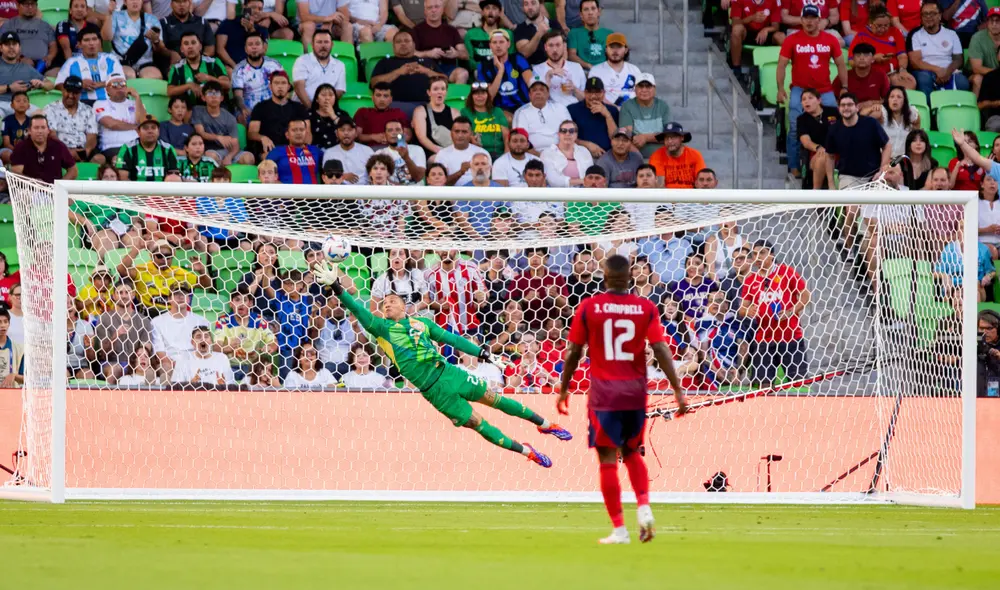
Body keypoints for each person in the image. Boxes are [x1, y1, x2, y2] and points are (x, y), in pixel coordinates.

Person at [314, 258, 571, 467]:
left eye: (392, 301)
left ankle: (545, 425)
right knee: (477, 423)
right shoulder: (381, 328)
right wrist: (337, 287)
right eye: (384, 303)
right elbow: (359, 310)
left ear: (405, 307)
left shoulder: (422, 323)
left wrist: (485, 354)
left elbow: (453, 339)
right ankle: (526, 451)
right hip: (434, 391)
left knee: (495, 399)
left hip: (449, 373)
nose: (387, 305)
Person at [557, 254, 687, 545]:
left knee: (607, 460)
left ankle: (619, 530)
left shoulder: (589, 307)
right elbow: (661, 349)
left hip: (604, 394)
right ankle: (644, 507)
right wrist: (677, 389)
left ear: (604, 276)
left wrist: (564, 389)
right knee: (632, 452)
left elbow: (574, 352)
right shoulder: (645, 307)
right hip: (634, 392)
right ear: (630, 277)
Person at [777, 5, 848, 180]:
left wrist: (845, 87)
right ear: (801, 20)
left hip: (825, 91)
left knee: (838, 126)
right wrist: (780, 89)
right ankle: (794, 165)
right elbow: (781, 65)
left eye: (812, 18)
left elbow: (840, 64)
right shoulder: (792, 40)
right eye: (806, 18)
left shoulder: (829, 39)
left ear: (819, 20)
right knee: (794, 127)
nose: (809, 21)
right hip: (800, 91)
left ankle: (837, 164)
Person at [740, 239, 811, 386]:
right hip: (764, 339)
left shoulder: (786, 272)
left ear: (772, 255)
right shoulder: (750, 280)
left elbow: (805, 295)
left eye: (762, 253)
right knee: (762, 386)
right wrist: (748, 311)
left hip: (790, 336)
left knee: (799, 384)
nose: (758, 258)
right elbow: (742, 308)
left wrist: (791, 311)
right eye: (754, 254)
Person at [119, 238, 212, 313]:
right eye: (159, 256)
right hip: (147, 314)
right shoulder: (142, 270)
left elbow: (207, 285)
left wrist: (202, 271)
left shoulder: (179, 273)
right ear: (151, 256)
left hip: (172, 315)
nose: (164, 259)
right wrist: (137, 248)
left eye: (168, 256)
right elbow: (121, 270)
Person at [369, 29, 446, 118]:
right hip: (395, 105)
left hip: (426, 105)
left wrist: (426, 71)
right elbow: (374, 83)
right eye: (399, 42)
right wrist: (398, 72)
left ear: (413, 45)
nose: (403, 44)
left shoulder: (426, 62)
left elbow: (444, 80)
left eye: (406, 41)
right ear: (393, 47)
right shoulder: (385, 62)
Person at [825, 92, 891, 189]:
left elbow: (887, 145)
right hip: (848, 177)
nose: (846, 108)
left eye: (850, 104)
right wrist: (831, 183)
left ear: (857, 107)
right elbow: (829, 157)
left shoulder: (871, 123)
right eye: (843, 105)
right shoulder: (834, 130)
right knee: (852, 204)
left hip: (874, 175)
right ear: (839, 109)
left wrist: (882, 170)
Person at [908, 1, 968, 100]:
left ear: (940, 16)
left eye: (932, 13)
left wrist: (947, 72)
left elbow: (958, 59)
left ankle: (957, 111)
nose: (928, 17)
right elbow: (915, 62)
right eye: (925, 14)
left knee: (963, 82)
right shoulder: (915, 34)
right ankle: (931, 112)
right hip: (926, 71)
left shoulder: (951, 34)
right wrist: (938, 70)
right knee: (923, 79)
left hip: (948, 70)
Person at [850, 6, 916, 91]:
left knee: (910, 82)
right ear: (871, 22)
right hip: (870, 73)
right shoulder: (861, 35)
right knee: (883, 82)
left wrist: (903, 70)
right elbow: (852, 61)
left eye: (886, 25)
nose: (882, 29)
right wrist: (873, 59)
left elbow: (902, 55)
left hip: (893, 72)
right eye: (879, 26)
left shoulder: (895, 32)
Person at [54, 24, 123, 104]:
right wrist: (79, 85)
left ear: (100, 42)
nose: (91, 43)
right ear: (79, 45)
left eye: (94, 39)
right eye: (86, 40)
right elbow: (58, 85)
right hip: (82, 104)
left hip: (110, 102)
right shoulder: (71, 62)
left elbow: (121, 82)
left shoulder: (111, 59)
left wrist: (100, 84)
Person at [248, 71, 310, 158]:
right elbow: (251, 133)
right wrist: (262, 138)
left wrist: (305, 150)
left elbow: (307, 133)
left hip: (294, 151)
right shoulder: (260, 107)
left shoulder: (299, 108)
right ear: (270, 86)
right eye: (276, 83)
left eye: (283, 83)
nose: (280, 86)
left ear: (288, 87)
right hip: (269, 151)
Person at [191, 81, 252, 165]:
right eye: (209, 93)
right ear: (203, 97)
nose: (213, 96)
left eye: (217, 93)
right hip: (212, 150)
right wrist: (218, 137)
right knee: (210, 157)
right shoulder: (198, 111)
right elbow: (200, 132)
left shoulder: (230, 117)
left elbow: (235, 145)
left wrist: (229, 157)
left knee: (249, 158)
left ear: (222, 98)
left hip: (229, 151)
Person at [103, 0, 164, 80]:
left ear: (142, 2)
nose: (135, 2)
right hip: (120, 61)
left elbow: (161, 49)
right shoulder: (116, 16)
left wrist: (156, 41)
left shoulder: (152, 19)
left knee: (155, 77)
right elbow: (106, 37)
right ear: (125, 2)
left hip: (145, 62)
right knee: (128, 75)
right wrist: (109, 14)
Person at [476, 28, 533, 113]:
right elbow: (489, 96)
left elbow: (531, 83)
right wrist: (500, 71)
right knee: (507, 119)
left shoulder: (518, 59)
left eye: (501, 42)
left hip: (523, 107)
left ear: (508, 44)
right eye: (494, 42)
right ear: (490, 45)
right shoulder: (484, 66)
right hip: (500, 110)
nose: (498, 46)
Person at [231, 31, 283, 124]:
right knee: (241, 116)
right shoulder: (239, 69)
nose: (254, 47)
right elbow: (238, 95)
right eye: (250, 44)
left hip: (273, 104)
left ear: (263, 47)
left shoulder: (274, 64)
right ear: (246, 49)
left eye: (257, 44)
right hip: (250, 107)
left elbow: (284, 87)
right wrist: (243, 107)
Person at [413, 0, 469, 83]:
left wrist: (455, 53)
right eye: (430, 7)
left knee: (463, 74)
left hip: (447, 67)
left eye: (437, 7)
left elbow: (465, 55)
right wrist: (428, 53)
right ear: (425, 11)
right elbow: (410, 54)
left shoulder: (451, 30)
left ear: (443, 9)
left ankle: (455, 96)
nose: (433, 10)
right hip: (426, 67)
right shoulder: (417, 30)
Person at [166, 32, 229, 105]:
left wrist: (209, 78)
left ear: (200, 46)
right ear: (181, 49)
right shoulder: (176, 68)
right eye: (186, 44)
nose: (190, 47)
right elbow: (170, 92)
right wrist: (189, 85)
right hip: (190, 111)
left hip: (216, 108)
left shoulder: (214, 62)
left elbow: (227, 85)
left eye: (193, 43)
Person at [10, 114, 78, 183]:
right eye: (36, 128)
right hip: (28, 191)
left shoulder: (58, 146)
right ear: (29, 131)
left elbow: (73, 170)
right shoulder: (21, 147)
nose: (40, 131)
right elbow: (16, 174)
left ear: (48, 130)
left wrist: (59, 186)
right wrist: (34, 183)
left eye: (43, 127)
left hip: (53, 191)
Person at [94, 73, 145, 163]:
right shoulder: (100, 103)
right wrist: (135, 126)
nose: (119, 87)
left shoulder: (136, 103)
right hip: (112, 147)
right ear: (107, 90)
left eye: (122, 84)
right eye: (114, 85)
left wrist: (137, 98)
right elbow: (111, 124)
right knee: (119, 160)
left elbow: (143, 122)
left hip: (137, 145)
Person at [0, 31, 52, 119]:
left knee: (42, 116)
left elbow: (50, 85)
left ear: (19, 48)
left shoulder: (27, 68)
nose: (11, 47)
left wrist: (41, 84)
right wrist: (9, 88)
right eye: (7, 44)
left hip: (21, 105)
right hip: (1, 104)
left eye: (14, 44)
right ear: (1, 48)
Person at [796, 88, 840, 190]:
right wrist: (818, 147)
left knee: (826, 155)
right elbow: (805, 141)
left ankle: (816, 194)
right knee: (822, 156)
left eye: (810, 98)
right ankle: (830, 185)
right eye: (803, 99)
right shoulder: (802, 119)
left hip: (836, 152)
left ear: (819, 100)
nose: (806, 101)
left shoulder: (833, 112)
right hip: (814, 155)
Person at [618, 73, 668, 159]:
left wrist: (645, 137)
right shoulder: (627, 106)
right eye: (640, 86)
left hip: (662, 158)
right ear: (635, 89)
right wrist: (638, 160)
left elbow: (668, 135)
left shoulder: (663, 106)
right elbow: (627, 136)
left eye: (648, 86)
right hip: (636, 158)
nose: (644, 90)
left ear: (654, 89)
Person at [292, 29, 346, 108]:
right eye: (319, 42)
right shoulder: (302, 61)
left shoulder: (340, 65)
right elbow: (299, 88)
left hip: (327, 110)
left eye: (326, 42)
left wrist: (325, 109)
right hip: (302, 108)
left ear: (332, 44)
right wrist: (312, 110)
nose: (323, 46)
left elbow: (339, 91)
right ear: (312, 45)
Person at [115, 115, 179, 181]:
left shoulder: (168, 149)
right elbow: (123, 178)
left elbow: (173, 176)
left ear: (158, 131)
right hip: (135, 190)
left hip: (161, 190)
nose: (150, 131)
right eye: (145, 128)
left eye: (153, 128)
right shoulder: (128, 148)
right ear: (138, 131)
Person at [511, 79, 570, 149]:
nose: (538, 92)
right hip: (534, 154)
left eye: (542, 90)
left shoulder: (560, 108)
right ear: (529, 95)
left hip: (561, 150)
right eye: (534, 90)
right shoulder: (521, 112)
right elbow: (520, 140)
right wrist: (538, 155)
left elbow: (570, 132)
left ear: (548, 94)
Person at [834, 43, 889, 118]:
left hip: (871, 111)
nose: (862, 58)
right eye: (858, 55)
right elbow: (833, 99)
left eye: (866, 55)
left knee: (876, 113)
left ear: (873, 59)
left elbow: (887, 99)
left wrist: (870, 103)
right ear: (853, 58)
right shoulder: (844, 75)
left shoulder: (880, 75)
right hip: (848, 111)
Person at [429, 116, 490, 185]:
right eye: (457, 131)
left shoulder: (482, 153)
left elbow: (487, 182)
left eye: (464, 132)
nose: (460, 135)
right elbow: (441, 184)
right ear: (451, 133)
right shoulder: (442, 154)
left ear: (471, 134)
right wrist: (460, 172)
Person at [568, 76, 617, 158]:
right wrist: (587, 144)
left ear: (603, 93)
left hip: (608, 155)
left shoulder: (612, 110)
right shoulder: (572, 109)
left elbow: (615, 138)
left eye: (597, 92)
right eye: (590, 92)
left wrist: (607, 115)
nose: (593, 96)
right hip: (581, 154)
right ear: (585, 93)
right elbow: (567, 136)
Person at [586, 33, 640, 107]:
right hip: (604, 112)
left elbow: (640, 94)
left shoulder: (634, 70)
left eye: (619, 47)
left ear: (626, 50)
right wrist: (616, 109)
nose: (615, 51)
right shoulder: (596, 71)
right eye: (612, 47)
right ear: (606, 49)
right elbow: (593, 96)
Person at [0, 0, 55, 71]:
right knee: (27, 66)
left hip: (44, 63)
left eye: (33, 4)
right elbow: (2, 44)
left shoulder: (45, 25)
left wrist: (50, 56)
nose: (30, 7)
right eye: (26, 4)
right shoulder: (9, 24)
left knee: (56, 73)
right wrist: (18, 57)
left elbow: (53, 44)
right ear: (18, 5)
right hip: (18, 62)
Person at [532, 30, 584, 107]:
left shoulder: (576, 67)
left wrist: (575, 89)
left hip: (574, 109)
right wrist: (547, 77)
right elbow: (537, 102)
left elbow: (585, 98)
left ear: (564, 46)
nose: (555, 50)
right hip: (551, 110)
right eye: (551, 45)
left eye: (558, 45)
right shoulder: (537, 69)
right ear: (545, 47)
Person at [729, 0, 783, 73]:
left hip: (764, 34)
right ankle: (736, 69)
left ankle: (785, 68)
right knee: (736, 30)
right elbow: (734, 23)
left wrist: (766, 30)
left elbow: (776, 26)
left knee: (781, 36)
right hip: (747, 32)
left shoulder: (775, 1)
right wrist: (752, 18)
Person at [648, 122, 706, 189]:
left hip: (690, 197)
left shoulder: (695, 155)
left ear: (682, 138)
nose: (669, 141)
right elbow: (660, 186)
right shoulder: (656, 156)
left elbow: (702, 182)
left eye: (673, 137)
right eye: (666, 138)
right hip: (667, 197)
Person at [412, 78, 461, 155]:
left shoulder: (455, 112)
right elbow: (422, 138)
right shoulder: (420, 111)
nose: (440, 92)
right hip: (430, 153)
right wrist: (442, 152)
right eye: (435, 89)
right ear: (429, 92)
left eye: (443, 89)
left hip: (451, 151)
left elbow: (459, 136)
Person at [461, 80, 509, 159]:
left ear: (488, 95)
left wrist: (506, 155)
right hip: (476, 154)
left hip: (498, 154)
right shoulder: (465, 112)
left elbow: (506, 135)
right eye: (476, 93)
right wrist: (471, 138)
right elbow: (464, 132)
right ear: (471, 96)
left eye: (483, 93)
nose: (480, 96)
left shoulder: (497, 111)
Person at [215, 0, 268, 70]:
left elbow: (262, 51)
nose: (257, 11)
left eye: (260, 9)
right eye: (253, 7)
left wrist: (251, 31)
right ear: (244, 6)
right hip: (230, 67)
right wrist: (235, 66)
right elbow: (220, 49)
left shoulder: (262, 29)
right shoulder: (228, 24)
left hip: (252, 68)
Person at [267, 117, 322, 184]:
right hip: (285, 193)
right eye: (294, 130)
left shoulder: (316, 151)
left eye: (301, 130)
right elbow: (263, 173)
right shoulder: (277, 151)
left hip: (313, 193)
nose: (298, 133)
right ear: (287, 135)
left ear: (306, 133)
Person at [353, 82, 408, 148]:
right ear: (372, 98)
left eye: (386, 96)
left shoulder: (398, 113)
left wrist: (393, 139)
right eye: (378, 95)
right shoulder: (362, 112)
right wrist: (373, 137)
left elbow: (408, 135)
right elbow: (356, 136)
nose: (382, 100)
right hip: (369, 150)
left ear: (391, 99)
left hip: (395, 148)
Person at [540, 119, 592, 187]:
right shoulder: (547, 153)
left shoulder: (584, 151)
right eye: (563, 131)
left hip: (582, 193)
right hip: (558, 194)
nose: (567, 134)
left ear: (576, 135)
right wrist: (582, 181)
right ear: (559, 134)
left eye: (571, 131)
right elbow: (553, 181)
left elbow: (590, 176)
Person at [375, 119, 426, 184]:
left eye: (398, 130)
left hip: (415, 192)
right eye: (390, 130)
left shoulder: (417, 149)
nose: (394, 133)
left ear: (403, 133)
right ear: (385, 135)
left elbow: (419, 177)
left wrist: (406, 158)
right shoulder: (379, 154)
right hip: (392, 193)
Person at [323, 117, 374, 183]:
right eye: (342, 130)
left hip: (363, 191)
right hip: (338, 191)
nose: (346, 133)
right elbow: (327, 177)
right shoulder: (329, 153)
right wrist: (343, 176)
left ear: (356, 133)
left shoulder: (367, 151)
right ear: (336, 134)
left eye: (350, 130)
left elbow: (375, 174)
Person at [465, 0, 512, 70]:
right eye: (487, 8)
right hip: (479, 75)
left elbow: (511, 59)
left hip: (502, 73)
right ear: (482, 12)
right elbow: (469, 61)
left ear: (499, 13)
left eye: (494, 8)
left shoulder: (508, 34)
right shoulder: (470, 34)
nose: (490, 11)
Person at [566, 0, 610, 71]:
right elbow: (571, 55)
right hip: (582, 71)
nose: (590, 13)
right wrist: (588, 65)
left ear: (599, 12)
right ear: (581, 15)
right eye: (586, 9)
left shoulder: (609, 34)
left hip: (605, 71)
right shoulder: (573, 33)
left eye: (593, 8)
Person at [515, 0, 560, 65]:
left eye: (533, 3)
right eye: (526, 4)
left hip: (557, 67)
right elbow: (524, 53)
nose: (530, 7)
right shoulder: (520, 29)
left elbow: (563, 48)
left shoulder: (554, 24)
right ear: (523, 8)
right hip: (534, 69)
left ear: (540, 5)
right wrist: (539, 33)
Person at [878, 85, 919, 158]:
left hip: (902, 161)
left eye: (899, 97)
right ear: (888, 100)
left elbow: (917, 125)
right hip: (882, 160)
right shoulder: (883, 114)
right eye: (892, 97)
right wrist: (870, 108)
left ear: (904, 101)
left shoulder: (911, 114)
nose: (895, 99)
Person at [969, 7, 1000, 96]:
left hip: (996, 74)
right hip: (978, 74)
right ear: (987, 23)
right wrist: (998, 74)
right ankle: (974, 108)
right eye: (991, 21)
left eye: (997, 21)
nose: (994, 24)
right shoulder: (977, 38)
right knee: (978, 78)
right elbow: (976, 68)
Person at [309, 83, 349, 150]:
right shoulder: (309, 115)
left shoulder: (343, 114)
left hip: (339, 151)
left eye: (331, 95)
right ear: (317, 99)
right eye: (323, 95)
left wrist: (333, 115)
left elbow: (348, 132)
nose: (327, 98)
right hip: (315, 152)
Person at [55, 0, 90, 66]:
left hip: (87, 64)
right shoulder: (63, 25)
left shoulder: (92, 27)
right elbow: (66, 49)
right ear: (70, 10)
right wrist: (73, 68)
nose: (79, 9)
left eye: (82, 6)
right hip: (65, 64)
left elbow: (98, 51)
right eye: (76, 6)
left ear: (86, 10)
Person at [0, 90, 27, 163]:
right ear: (12, 105)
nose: (21, 103)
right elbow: (6, 144)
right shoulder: (6, 121)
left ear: (29, 106)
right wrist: (18, 152)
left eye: (24, 101)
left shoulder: (32, 121)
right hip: (10, 150)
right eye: (18, 101)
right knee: (6, 154)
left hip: (28, 150)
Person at [0, 308, 23, 387]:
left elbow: (26, 379)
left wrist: (14, 376)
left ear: (9, 324)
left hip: (11, 396)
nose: (2, 325)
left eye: (5, 322)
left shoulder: (19, 349)